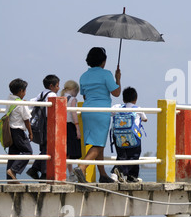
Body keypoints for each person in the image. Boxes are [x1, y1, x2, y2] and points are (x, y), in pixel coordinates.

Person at [74, 47, 121, 183]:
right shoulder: (106, 74)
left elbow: (84, 94)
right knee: (99, 144)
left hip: (87, 111)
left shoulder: (83, 76)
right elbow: (116, 92)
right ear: (103, 61)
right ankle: (82, 167)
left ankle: (103, 174)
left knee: (97, 142)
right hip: (101, 112)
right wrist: (118, 79)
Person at [110, 87, 148, 183]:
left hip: (118, 136)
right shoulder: (138, 109)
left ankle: (119, 174)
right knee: (134, 156)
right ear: (136, 99)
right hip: (133, 136)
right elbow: (145, 119)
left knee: (121, 156)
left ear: (123, 99)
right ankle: (126, 174)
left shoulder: (117, 107)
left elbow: (110, 113)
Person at [26, 74, 60, 180]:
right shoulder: (53, 95)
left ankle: (35, 169)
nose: (58, 88)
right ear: (51, 86)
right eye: (57, 86)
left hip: (40, 125)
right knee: (48, 149)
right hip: (48, 124)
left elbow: (31, 103)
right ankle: (44, 174)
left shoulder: (41, 94)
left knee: (44, 148)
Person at [6, 79, 33, 183]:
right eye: (25, 91)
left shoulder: (9, 99)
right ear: (21, 91)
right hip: (18, 131)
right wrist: (30, 133)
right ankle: (13, 170)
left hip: (10, 131)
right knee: (28, 151)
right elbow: (27, 120)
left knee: (13, 154)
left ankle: (10, 179)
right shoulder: (21, 104)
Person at [61, 80, 82, 182]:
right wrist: (77, 128)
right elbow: (74, 114)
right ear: (74, 89)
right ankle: (68, 175)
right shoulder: (72, 99)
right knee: (70, 151)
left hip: (61, 126)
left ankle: (67, 174)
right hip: (70, 126)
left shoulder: (61, 98)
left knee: (65, 153)